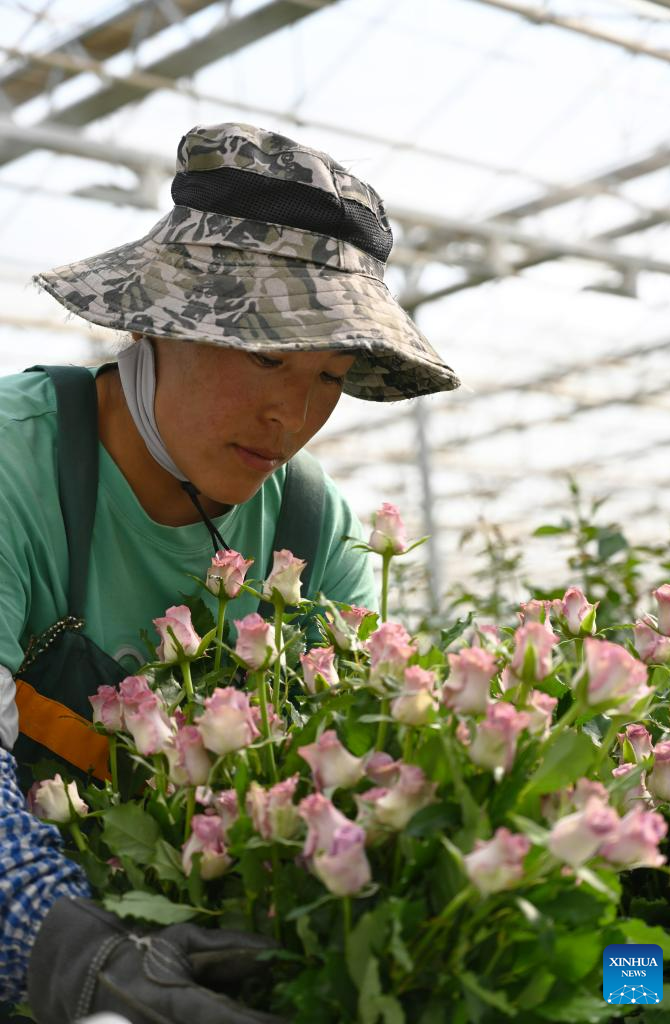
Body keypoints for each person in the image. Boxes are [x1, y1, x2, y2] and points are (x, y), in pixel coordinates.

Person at [0, 122, 459, 1023]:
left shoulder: (311, 526)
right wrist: (72, 950)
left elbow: (351, 764)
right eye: (264, 354)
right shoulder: (19, 464)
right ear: (151, 320)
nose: (290, 414)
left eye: (329, 376)